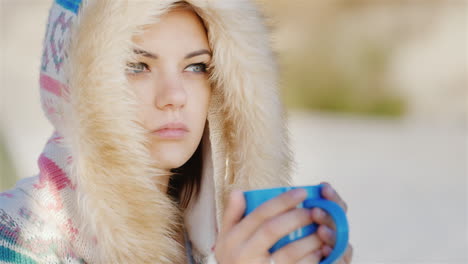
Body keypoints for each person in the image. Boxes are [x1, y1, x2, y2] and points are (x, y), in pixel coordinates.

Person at [0, 0, 353, 263]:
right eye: (137, 66)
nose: (174, 97)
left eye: (196, 67)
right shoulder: (15, 240)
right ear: (74, 85)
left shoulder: (202, 239)